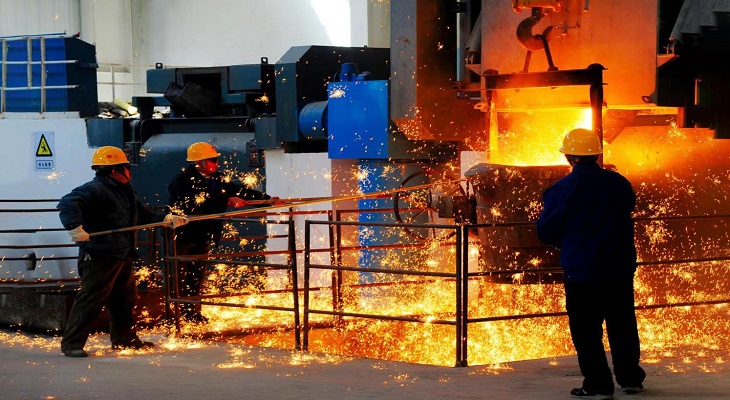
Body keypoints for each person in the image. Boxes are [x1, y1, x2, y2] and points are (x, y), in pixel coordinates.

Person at [536, 129, 646, 399]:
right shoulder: (619, 183)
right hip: (619, 267)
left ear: (569, 157)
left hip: (582, 271)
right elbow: (627, 209)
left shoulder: (561, 190)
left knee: (586, 331)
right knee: (622, 324)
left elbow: (546, 231)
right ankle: (630, 379)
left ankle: (598, 385)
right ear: (597, 155)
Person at [57, 146, 187, 358]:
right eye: (127, 168)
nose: (130, 172)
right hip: (100, 255)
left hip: (121, 252)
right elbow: (67, 203)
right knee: (91, 299)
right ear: (114, 170)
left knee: (124, 298)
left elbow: (141, 215)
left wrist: (165, 219)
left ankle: (125, 340)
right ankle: (71, 343)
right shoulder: (95, 189)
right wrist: (74, 227)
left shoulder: (125, 190)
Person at [167, 142, 280, 323]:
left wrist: (267, 199)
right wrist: (226, 199)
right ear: (200, 162)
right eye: (213, 160)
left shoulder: (218, 179)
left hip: (203, 234)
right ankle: (174, 316)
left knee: (196, 277)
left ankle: (192, 313)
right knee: (178, 276)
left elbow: (238, 190)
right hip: (182, 236)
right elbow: (194, 203)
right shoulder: (182, 180)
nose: (216, 163)